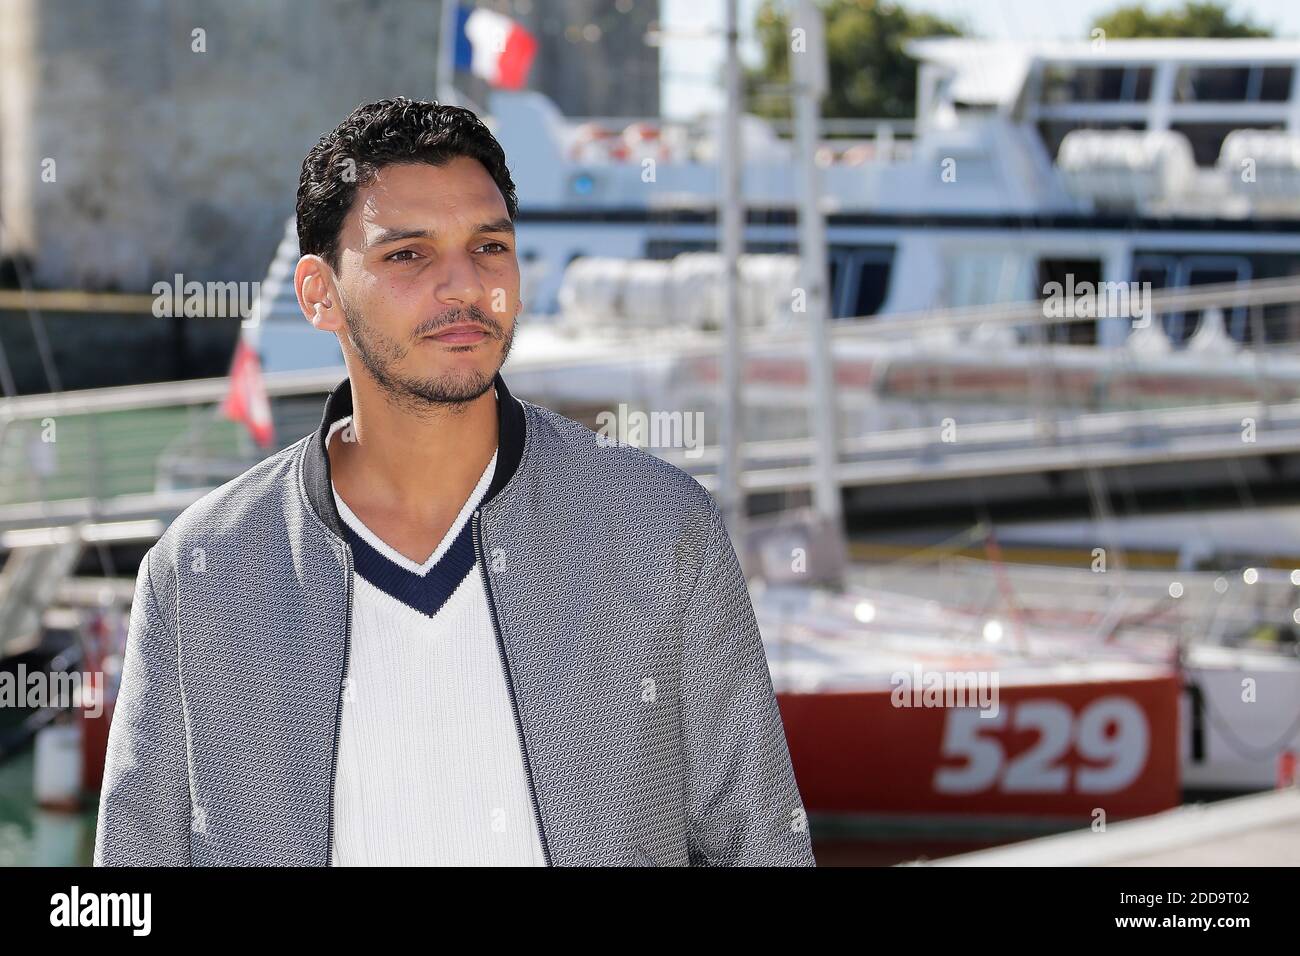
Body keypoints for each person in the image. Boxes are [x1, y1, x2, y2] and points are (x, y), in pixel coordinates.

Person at [94, 97, 814, 867]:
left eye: (489, 247)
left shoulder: (662, 530)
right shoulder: (200, 571)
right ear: (319, 294)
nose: (463, 286)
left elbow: (762, 846)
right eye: (407, 255)